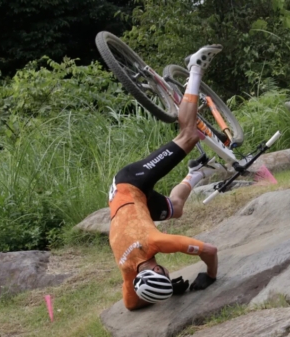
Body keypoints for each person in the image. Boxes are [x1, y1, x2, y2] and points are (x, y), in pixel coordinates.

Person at [108, 44, 223, 310]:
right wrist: (165, 288)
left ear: (158, 271)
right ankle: (197, 173)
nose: (168, 272)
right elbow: (130, 304)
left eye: (166, 275)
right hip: (134, 206)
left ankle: (195, 68)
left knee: (189, 135)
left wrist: (211, 276)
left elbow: (211, 251)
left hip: (129, 184)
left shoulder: (156, 243)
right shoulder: (128, 269)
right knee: (177, 209)